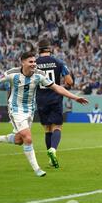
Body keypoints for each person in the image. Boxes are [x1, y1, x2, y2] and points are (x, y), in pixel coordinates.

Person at [0, 51, 88, 177]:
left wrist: (74, 97)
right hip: (16, 109)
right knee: (28, 138)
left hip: (29, 110)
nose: (34, 64)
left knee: (19, 140)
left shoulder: (39, 75)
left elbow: (57, 87)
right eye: (30, 62)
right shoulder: (12, 73)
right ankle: (37, 169)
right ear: (22, 62)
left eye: (34, 61)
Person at [35, 38, 74, 168]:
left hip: (40, 99)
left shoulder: (33, 63)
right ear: (49, 49)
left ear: (39, 50)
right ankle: (53, 150)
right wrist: (60, 86)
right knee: (57, 126)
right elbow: (69, 82)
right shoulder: (59, 62)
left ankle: (51, 160)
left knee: (47, 129)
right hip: (55, 97)